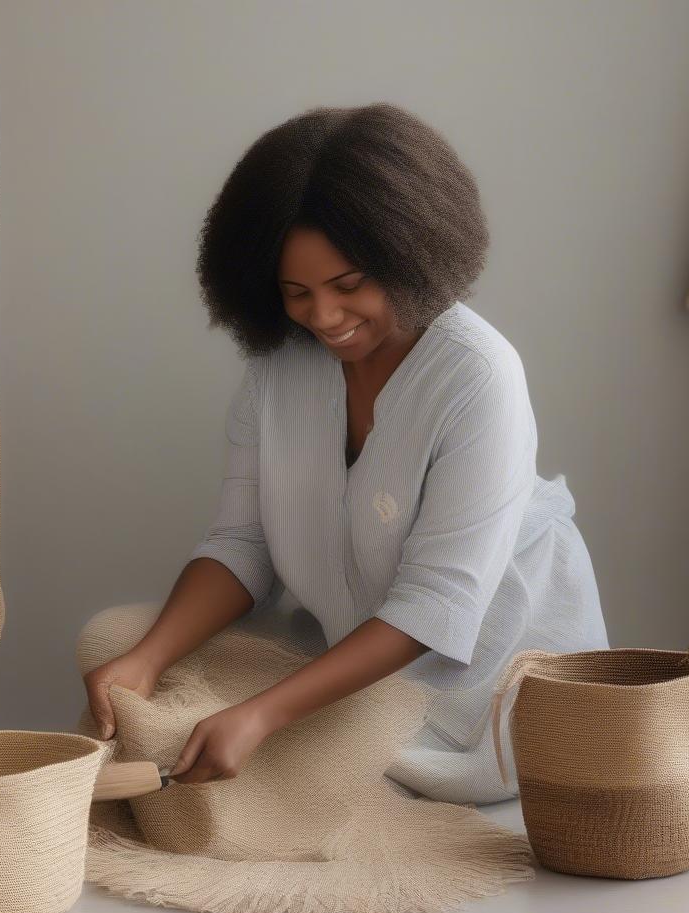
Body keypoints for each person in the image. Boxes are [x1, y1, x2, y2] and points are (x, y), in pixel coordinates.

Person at [82, 102, 608, 805]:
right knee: (111, 640)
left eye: (348, 286)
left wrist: (265, 712)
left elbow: (437, 604)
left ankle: (289, 780)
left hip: (490, 693)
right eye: (296, 293)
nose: (323, 318)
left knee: (244, 756)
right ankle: (264, 774)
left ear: (410, 251)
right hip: (348, 668)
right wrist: (143, 662)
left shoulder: (478, 375)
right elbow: (242, 543)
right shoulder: (278, 367)